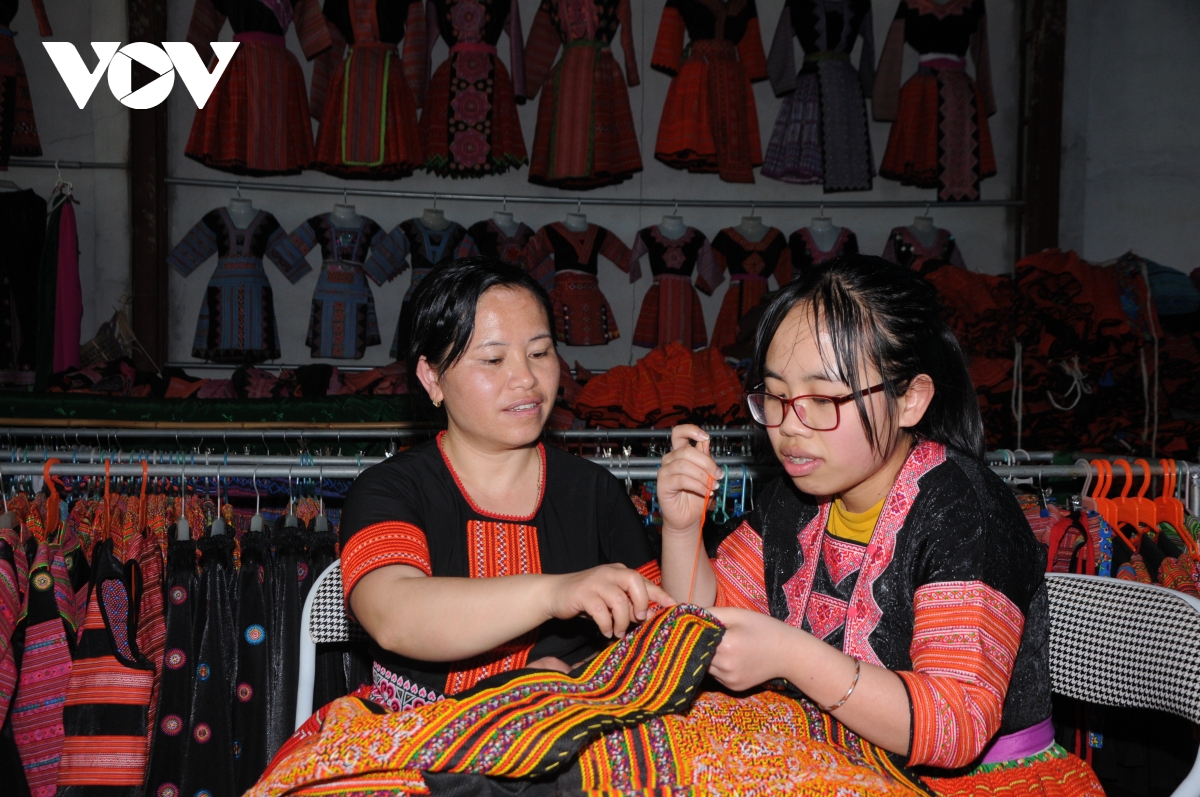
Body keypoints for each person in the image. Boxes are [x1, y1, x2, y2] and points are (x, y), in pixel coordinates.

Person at [655, 254, 1102, 794]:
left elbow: (956, 725)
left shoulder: (966, 513)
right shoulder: (795, 497)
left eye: (823, 399)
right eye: (775, 396)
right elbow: (705, 624)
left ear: (910, 399)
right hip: (845, 756)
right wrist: (683, 530)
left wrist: (789, 655)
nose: (790, 427)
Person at [338, 256, 670, 710]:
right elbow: (393, 616)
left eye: (540, 353)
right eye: (493, 359)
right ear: (432, 378)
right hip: (419, 733)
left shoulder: (595, 492)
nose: (527, 378)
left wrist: (577, 676)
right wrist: (555, 593)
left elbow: (657, 632)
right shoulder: (389, 489)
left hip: (570, 725)